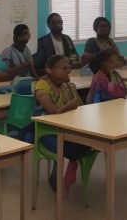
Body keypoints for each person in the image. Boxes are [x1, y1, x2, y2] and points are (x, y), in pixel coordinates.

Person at [34, 55, 95, 192]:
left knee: (91, 140)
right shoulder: (41, 86)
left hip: (67, 129)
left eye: (69, 67)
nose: (69, 70)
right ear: (49, 70)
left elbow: (80, 108)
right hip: (47, 132)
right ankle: (64, 169)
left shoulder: (67, 86)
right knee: (73, 146)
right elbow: (52, 112)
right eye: (64, 68)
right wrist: (70, 106)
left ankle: (67, 167)